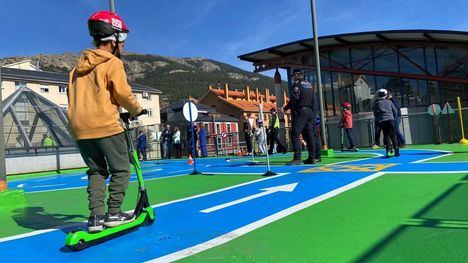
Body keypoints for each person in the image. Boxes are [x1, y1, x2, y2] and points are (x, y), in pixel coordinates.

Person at [67, 10, 145, 232]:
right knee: (121, 169)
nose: (124, 45)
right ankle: (114, 213)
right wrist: (137, 110)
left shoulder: (74, 70)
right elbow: (122, 93)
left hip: (80, 130)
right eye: (123, 39)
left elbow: (74, 98)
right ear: (114, 38)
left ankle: (95, 219)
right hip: (105, 126)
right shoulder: (112, 63)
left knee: (96, 171)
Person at [283, 68, 316, 165]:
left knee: (295, 134)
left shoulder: (297, 84)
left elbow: (295, 98)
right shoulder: (309, 85)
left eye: (293, 75)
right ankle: (312, 158)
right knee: (309, 136)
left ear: (297, 75)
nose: (293, 77)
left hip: (301, 111)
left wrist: (286, 108)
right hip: (310, 112)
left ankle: (297, 158)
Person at [373, 89, 400, 157]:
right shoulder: (389, 102)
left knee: (386, 135)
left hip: (382, 120)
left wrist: (378, 119)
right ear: (385, 95)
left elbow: (375, 113)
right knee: (393, 135)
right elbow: (395, 111)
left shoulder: (377, 103)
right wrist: (393, 117)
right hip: (390, 120)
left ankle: (388, 150)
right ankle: (396, 147)